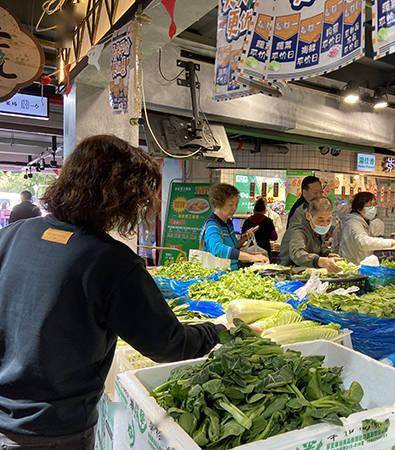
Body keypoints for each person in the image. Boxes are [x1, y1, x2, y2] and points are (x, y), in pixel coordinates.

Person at [0, 135, 225, 449]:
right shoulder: (111, 262)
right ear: (120, 197)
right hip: (54, 430)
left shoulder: (11, 236)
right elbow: (167, 344)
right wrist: (217, 331)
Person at [202, 184, 269, 270]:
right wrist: (252, 257)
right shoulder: (212, 224)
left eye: (236, 205)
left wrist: (245, 237)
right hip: (218, 274)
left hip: (231, 271)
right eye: (230, 205)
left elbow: (233, 246)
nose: (234, 208)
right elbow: (217, 249)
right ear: (218, 204)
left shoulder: (228, 222)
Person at [338, 192, 395, 265]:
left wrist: (394, 244)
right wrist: (393, 242)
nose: (373, 208)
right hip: (353, 267)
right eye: (370, 205)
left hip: (359, 265)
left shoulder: (363, 222)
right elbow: (363, 242)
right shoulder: (353, 222)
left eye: (374, 205)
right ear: (359, 207)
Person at [280, 197, 341, 273]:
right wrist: (319, 261)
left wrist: (328, 254)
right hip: (289, 274)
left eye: (328, 220)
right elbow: (297, 254)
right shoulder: (298, 230)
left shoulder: (315, 228)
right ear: (308, 216)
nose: (325, 224)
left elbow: (320, 246)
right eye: (320, 220)